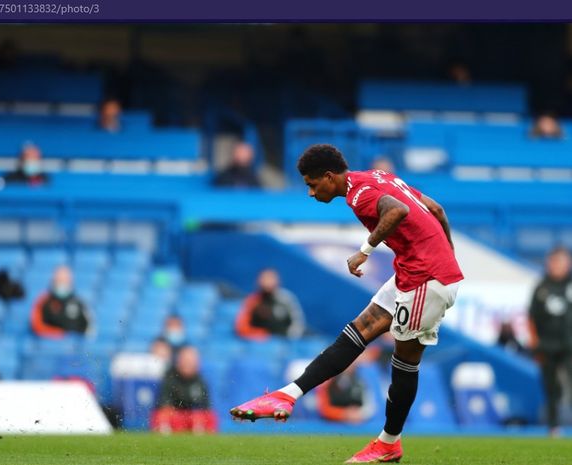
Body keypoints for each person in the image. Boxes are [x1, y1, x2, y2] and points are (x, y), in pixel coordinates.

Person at [230, 144, 463, 464]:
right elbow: (436, 209)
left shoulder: (359, 194)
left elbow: (398, 211)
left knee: (405, 359)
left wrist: (364, 250)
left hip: (427, 278)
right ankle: (287, 395)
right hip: (414, 270)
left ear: (329, 177)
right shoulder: (378, 176)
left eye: (312, 185)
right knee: (359, 331)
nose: (311, 193)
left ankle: (388, 444)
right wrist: (448, 253)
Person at [528, 247, 572, 437]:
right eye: (554, 262)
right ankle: (554, 427)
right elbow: (531, 317)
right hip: (547, 346)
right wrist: (535, 342)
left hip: (569, 345)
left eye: (561, 262)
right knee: (551, 387)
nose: (557, 266)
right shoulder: (541, 287)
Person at [150, 346, 217, 434]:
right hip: (175, 416)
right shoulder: (170, 378)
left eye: (191, 361)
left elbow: (206, 408)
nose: (188, 364)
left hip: (193, 417)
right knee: (162, 416)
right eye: (186, 361)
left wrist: (195, 416)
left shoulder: (201, 381)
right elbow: (164, 404)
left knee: (207, 417)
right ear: (179, 361)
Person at [235, 269, 306, 340]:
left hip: (284, 341)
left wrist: (289, 338)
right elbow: (242, 327)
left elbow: (298, 323)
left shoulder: (286, 299)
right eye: (264, 279)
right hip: (259, 342)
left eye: (270, 278)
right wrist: (260, 335)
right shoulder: (252, 301)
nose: (267, 282)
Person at [31, 265, 93, 338]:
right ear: (53, 280)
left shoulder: (79, 302)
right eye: (59, 279)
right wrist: (60, 334)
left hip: (73, 347)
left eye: (65, 279)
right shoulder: (43, 301)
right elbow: (37, 326)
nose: (62, 282)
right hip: (49, 345)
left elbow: (89, 329)